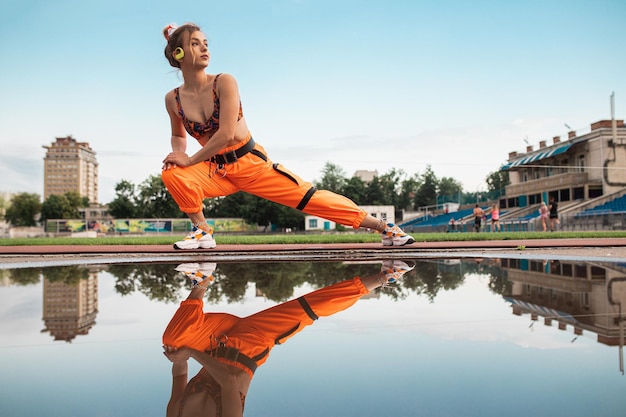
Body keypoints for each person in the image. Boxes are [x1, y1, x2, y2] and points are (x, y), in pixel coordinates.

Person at [159, 23, 415, 250]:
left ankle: (385, 228)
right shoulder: (173, 99)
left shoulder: (224, 82)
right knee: (172, 172)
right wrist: (178, 155)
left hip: (253, 165)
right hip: (216, 170)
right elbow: (177, 135)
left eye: (206, 43)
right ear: (178, 54)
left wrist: (190, 160)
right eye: (195, 44)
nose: (205, 48)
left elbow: (226, 134)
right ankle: (202, 231)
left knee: (311, 199)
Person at [162, 260, 415, 417]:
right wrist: (192, 354)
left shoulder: (175, 414)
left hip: (215, 340)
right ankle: (387, 276)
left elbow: (179, 374)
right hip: (252, 344)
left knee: (172, 339)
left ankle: (203, 277)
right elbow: (228, 381)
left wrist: (178, 357)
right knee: (308, 308)